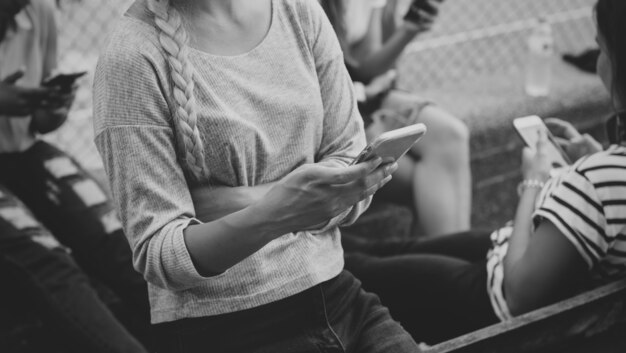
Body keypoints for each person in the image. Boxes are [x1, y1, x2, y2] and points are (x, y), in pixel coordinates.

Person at [93, 0, 421, 352]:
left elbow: (352, 166)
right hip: (227, 329)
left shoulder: (299, 11)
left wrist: (247, 201)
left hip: (338, 294)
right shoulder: (132, 57)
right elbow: (161, 254)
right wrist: (276, 214)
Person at [340, 0, 626, 344]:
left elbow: (519, 295)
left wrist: (533, 182)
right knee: (387, 249)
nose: (597, 62)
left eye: (601, 48)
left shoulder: (598, 182)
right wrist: (600, 155)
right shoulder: (609, 171)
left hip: (491, 300)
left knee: (358, 268)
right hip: (501, 253)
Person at [0, 0, 152, 351]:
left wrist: (53, 107)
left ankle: (203, 331)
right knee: (45, 257)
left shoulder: (36, 12)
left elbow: (40, 125)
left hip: (20, 151)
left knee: (114, 236)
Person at [320, 0, 472, 237]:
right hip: (335, 109)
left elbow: (366, 65)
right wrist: (362, 102)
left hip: (366, 96)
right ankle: (451, 264)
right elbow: (322, 75)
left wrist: (410, 28)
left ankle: (454, 263)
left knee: (452, 134)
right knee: (433, 186)